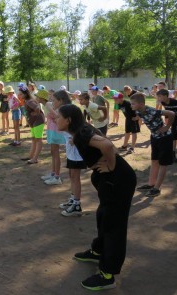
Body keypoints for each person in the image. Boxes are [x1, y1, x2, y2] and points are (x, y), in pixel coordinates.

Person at [55, 104, 136, 290]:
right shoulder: (81, 130)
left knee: (113, 225)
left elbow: (107, 144)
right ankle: (98, 251)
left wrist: (110, 164)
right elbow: (104, 138)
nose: (54, 120)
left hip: (118, 180)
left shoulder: (81, 133)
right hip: (109, 181)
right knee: (103, 216)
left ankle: (108, 274)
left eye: (58, 117)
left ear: (68, 121)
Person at [130, 92, 175, 197]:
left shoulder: (152, 111)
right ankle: (151, 184)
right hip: (155, 137)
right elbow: (139, 116)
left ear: (141, 104)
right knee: (154, 161)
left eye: (133, 104)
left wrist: (167, 127)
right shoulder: (138, 111)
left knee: (163, 164)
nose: (131, 105)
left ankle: (157, 188)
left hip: (165, 138)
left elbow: (171, 113)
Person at [38, 89, 66, 185]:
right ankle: (53, 173)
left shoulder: (48, 105)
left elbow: (57, 115)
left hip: (55, 131)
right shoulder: (47, 105)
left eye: (37, 96)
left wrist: (55, 117)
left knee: (55, 153)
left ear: (41, 98)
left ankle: (57, 176)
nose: (36, 98)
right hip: (51, 130)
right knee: (53, 152)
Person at [19, 84, 45, 164]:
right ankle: (31, 156)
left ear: (25, 94)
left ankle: (35, 158)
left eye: (20, 94)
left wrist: (35, 113)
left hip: (38, 121)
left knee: (38, 140)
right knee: (34, 139)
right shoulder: (27, 101)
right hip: (33, 122)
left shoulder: (29, 101)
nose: (19, 95)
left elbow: (37, 107)